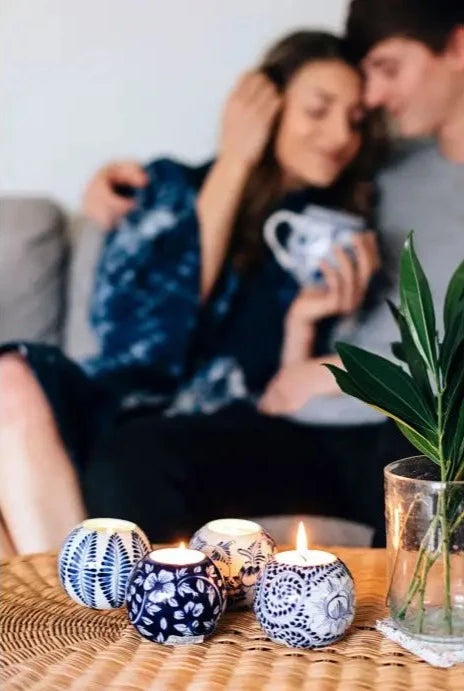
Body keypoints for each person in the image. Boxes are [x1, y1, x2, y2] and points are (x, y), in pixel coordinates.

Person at [79, 0, 464, 547]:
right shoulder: (372, 169)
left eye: (388, 69)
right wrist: (112, 188)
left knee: (424, 452)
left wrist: (352, 372)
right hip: (306, 428)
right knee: (139, 453)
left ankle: (408, 623)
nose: (370, 103)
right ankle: (146, 621)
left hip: (409, 427)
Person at [0, 31, 386, 556]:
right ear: (262, 109)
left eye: (356, 120)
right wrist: (234, 163)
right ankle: (61, 619)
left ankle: (64, 614)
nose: (340, 134)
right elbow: (144, 342)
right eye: (318, 110)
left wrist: (302, 321)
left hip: (213, 439)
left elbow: (282, 403)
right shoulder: (167, 188)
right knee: (9, 378)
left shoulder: (330, 236)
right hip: (119, 405)